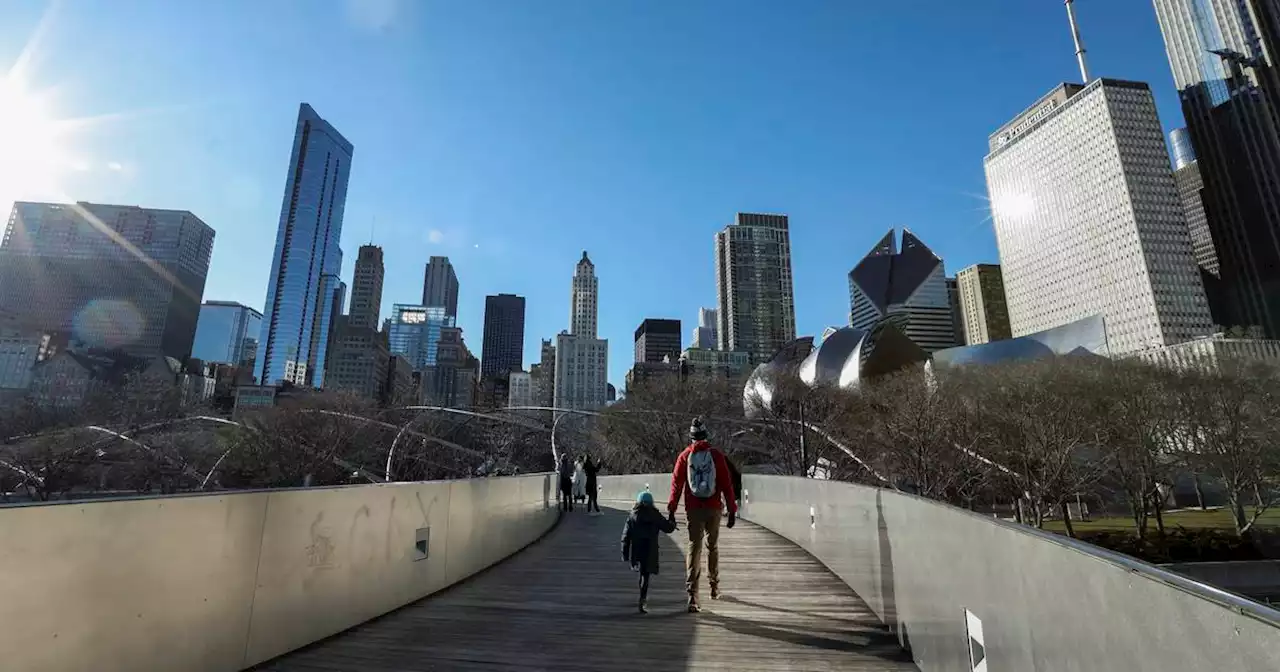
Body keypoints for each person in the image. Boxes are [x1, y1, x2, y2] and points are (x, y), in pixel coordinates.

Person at [667, 417, 736, 613]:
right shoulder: (715, 455)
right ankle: (714, 587)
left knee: (694, 547)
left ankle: (692, 595)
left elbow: (676, 485)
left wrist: (671, 510)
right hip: (714, 507)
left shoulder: (684, 456)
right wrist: (731, 510)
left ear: (690, 438)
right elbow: (726, 484)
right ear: (706, 436)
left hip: (693, 508)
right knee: (712, 546)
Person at [621, 490, 677, 613]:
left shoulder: (632, 515)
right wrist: (672, 516)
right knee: (645, 575)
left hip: (637, 549)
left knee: (641, 573)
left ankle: (642, 596)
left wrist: (625, 554)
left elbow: (625, 536)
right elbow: (669, 528)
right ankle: (643, 598)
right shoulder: (655, 515)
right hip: (650, 549)